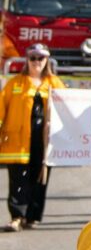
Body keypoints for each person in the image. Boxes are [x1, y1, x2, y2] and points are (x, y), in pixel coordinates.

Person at [1, 44, 58, 230]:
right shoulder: (15, 83)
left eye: (40, 58)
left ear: (46, 60)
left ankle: (32, 216)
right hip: (18, 141)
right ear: (27, 59)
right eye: (32, 58)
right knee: (18, 180)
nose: (36, 62)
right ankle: (17, 216)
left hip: (43, 142)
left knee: (39, 179)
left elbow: (69, 108)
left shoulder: (54, 84)